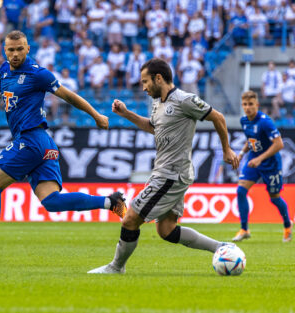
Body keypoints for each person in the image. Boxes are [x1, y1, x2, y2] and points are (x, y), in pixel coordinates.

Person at [0, 31, 127, 264]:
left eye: (19, 49)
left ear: (27, 49)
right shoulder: (2, 73)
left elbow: (69, 96)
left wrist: (96, 115)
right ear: (4, 50)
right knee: (52, 202)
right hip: (44, 143)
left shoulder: (38, 74)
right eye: (10, 50)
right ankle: (111, 202)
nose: (15, 54)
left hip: (31, 139)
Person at [88, 58, 239, 274]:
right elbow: (154, 128)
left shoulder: (185, 100)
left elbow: (218, 117)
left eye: (145, 81)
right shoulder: (158, 102)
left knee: (130, 219)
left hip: (171, 175)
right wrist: (127, 114)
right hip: (168, 173)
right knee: (166, 230)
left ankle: (116, 267)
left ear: (159, 78)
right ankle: (222, 247)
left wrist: (227, 150)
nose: (143, 87)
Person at [233, 90, 292, 243]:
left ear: (257, 105)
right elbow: (250, 139)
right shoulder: (244, 121)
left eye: (251, 104)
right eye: (245, 104)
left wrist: (260, 159)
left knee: (274, 198)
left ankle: (287, 225)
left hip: (270, 164)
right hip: (254, 161)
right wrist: (241, 153)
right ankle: (244, 229)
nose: (247, 108)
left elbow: (279, 144)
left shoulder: (265, 122)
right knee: (240, 191)